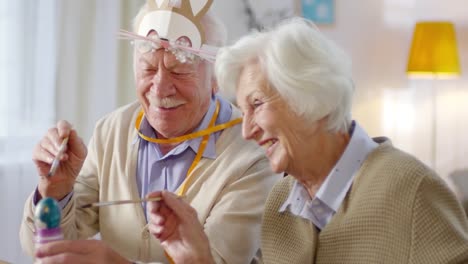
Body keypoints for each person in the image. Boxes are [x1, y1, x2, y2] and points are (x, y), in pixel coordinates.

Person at [146, 17, 468, 263]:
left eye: (256, 105)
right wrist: (199, 257)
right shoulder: (281, 202)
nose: (246, 131)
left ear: (310, 96)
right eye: (242, 111)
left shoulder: (411, 190)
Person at [20, 1, 281, 263]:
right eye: (147, 68)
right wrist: (55, 191)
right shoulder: (112, 130)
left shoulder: (253, 156)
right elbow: (45, 251)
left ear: (216, 78)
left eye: (178, 71)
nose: (160, 88)